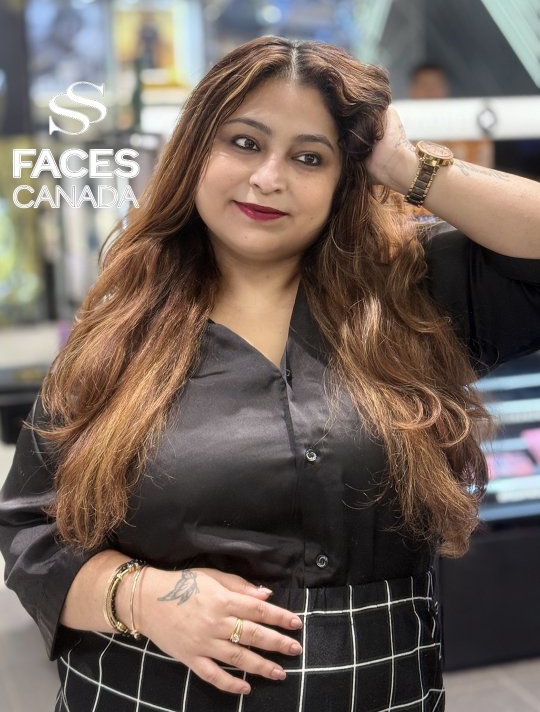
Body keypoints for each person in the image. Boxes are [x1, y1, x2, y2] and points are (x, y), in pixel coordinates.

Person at [1, 35, 540, 712]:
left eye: (310, 157)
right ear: (196, 151)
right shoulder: (121, 331)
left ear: (345, 176)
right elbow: (32, 530)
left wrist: (404, 164)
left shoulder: (411, 295)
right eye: (245, 143)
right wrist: (142, 598)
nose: (268, 178)